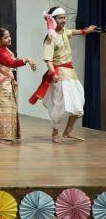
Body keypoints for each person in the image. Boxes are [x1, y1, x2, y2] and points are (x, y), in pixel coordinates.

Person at [29, 7, 96, 143]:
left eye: (65, 17)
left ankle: (67, 132)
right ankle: (55, 133)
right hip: (59, 74)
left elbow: (74, 32)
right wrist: (53, 73)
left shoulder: (65, 31)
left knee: (79, 102)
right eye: (60, 18)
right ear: (53, 19)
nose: (64, 20)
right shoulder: (50, 37)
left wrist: (87, 31)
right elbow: (48, 59)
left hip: (71, 73)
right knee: (60, 105)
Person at [0, 28, 36, 145]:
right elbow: (11, 63)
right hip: (0, 83)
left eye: (9, 36)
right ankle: (2, 136)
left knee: (10, 108)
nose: (9, 38)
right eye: (6, 37)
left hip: (4, 80)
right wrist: (27, 60)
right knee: (4, 110)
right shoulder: (0, 51)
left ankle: (9, 134)